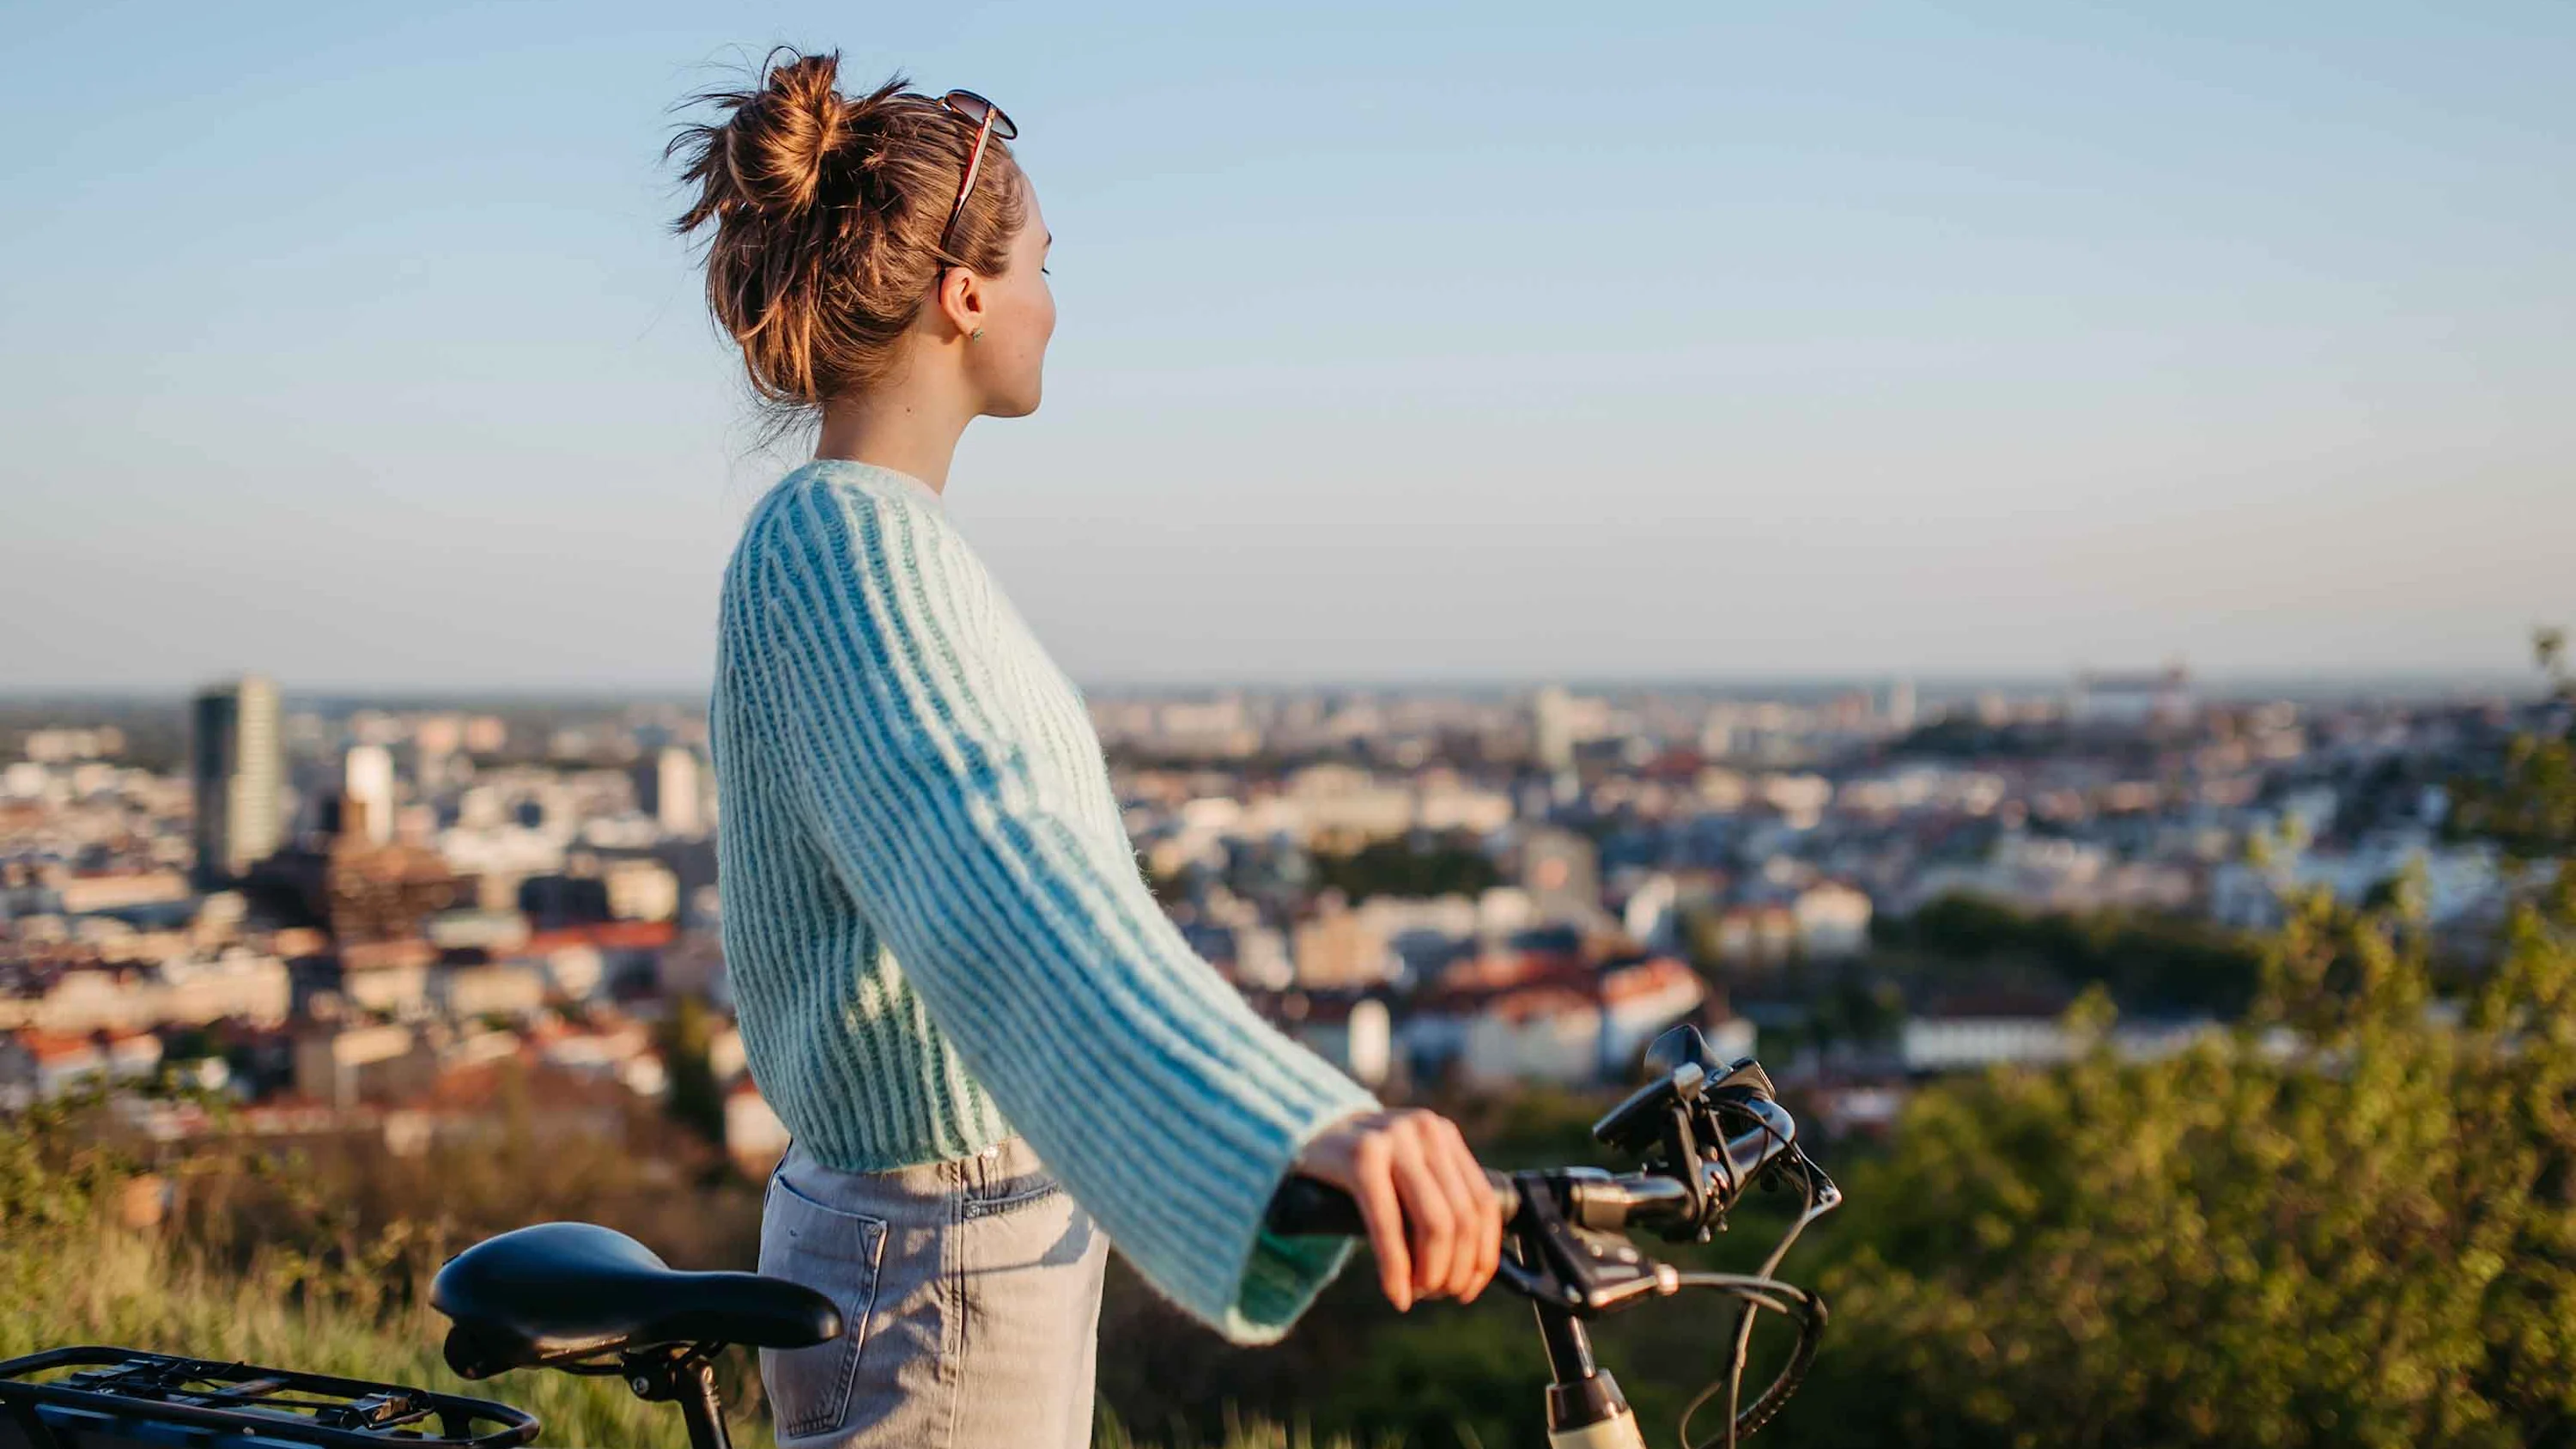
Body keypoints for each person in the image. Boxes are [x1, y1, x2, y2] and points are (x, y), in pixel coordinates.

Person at [670, 51, 1506, 1449]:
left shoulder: (883, 547)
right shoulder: (839, 547)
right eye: (1046, 263)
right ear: (966, 293)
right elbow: (991, 871)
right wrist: (1288, 1120)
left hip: (961, 1239)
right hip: (932, 1263)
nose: (1058, 303)